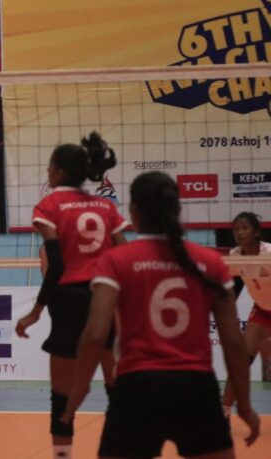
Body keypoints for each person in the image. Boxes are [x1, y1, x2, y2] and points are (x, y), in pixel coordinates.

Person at [63, 171, 260, 458]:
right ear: (177, 210)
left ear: (133, 213)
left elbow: (95, 334)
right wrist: (245, 405)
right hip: (196, 388)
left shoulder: (116, 260)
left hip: (136, 388)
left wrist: (79, 390)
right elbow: (233, 342)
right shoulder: (212, 262)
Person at [14, 132, 127, 459]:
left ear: (60, 172)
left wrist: (35, 311)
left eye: (50, 167)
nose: (47, 172)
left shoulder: (49, 206)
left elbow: (57, 264)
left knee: (62, 399)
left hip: (68, 302)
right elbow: (126, 257)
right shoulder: (106, 206)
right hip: (106, 300)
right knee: (118, 395)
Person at [222, 212, 271, 416]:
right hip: (262, 309)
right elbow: (229, 285)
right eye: (236, 229)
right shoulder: (235, 255)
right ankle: (224, 413)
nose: (240, 233)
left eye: (245, 228)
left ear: (256, 232)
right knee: (240, 362)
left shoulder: (269, 253)